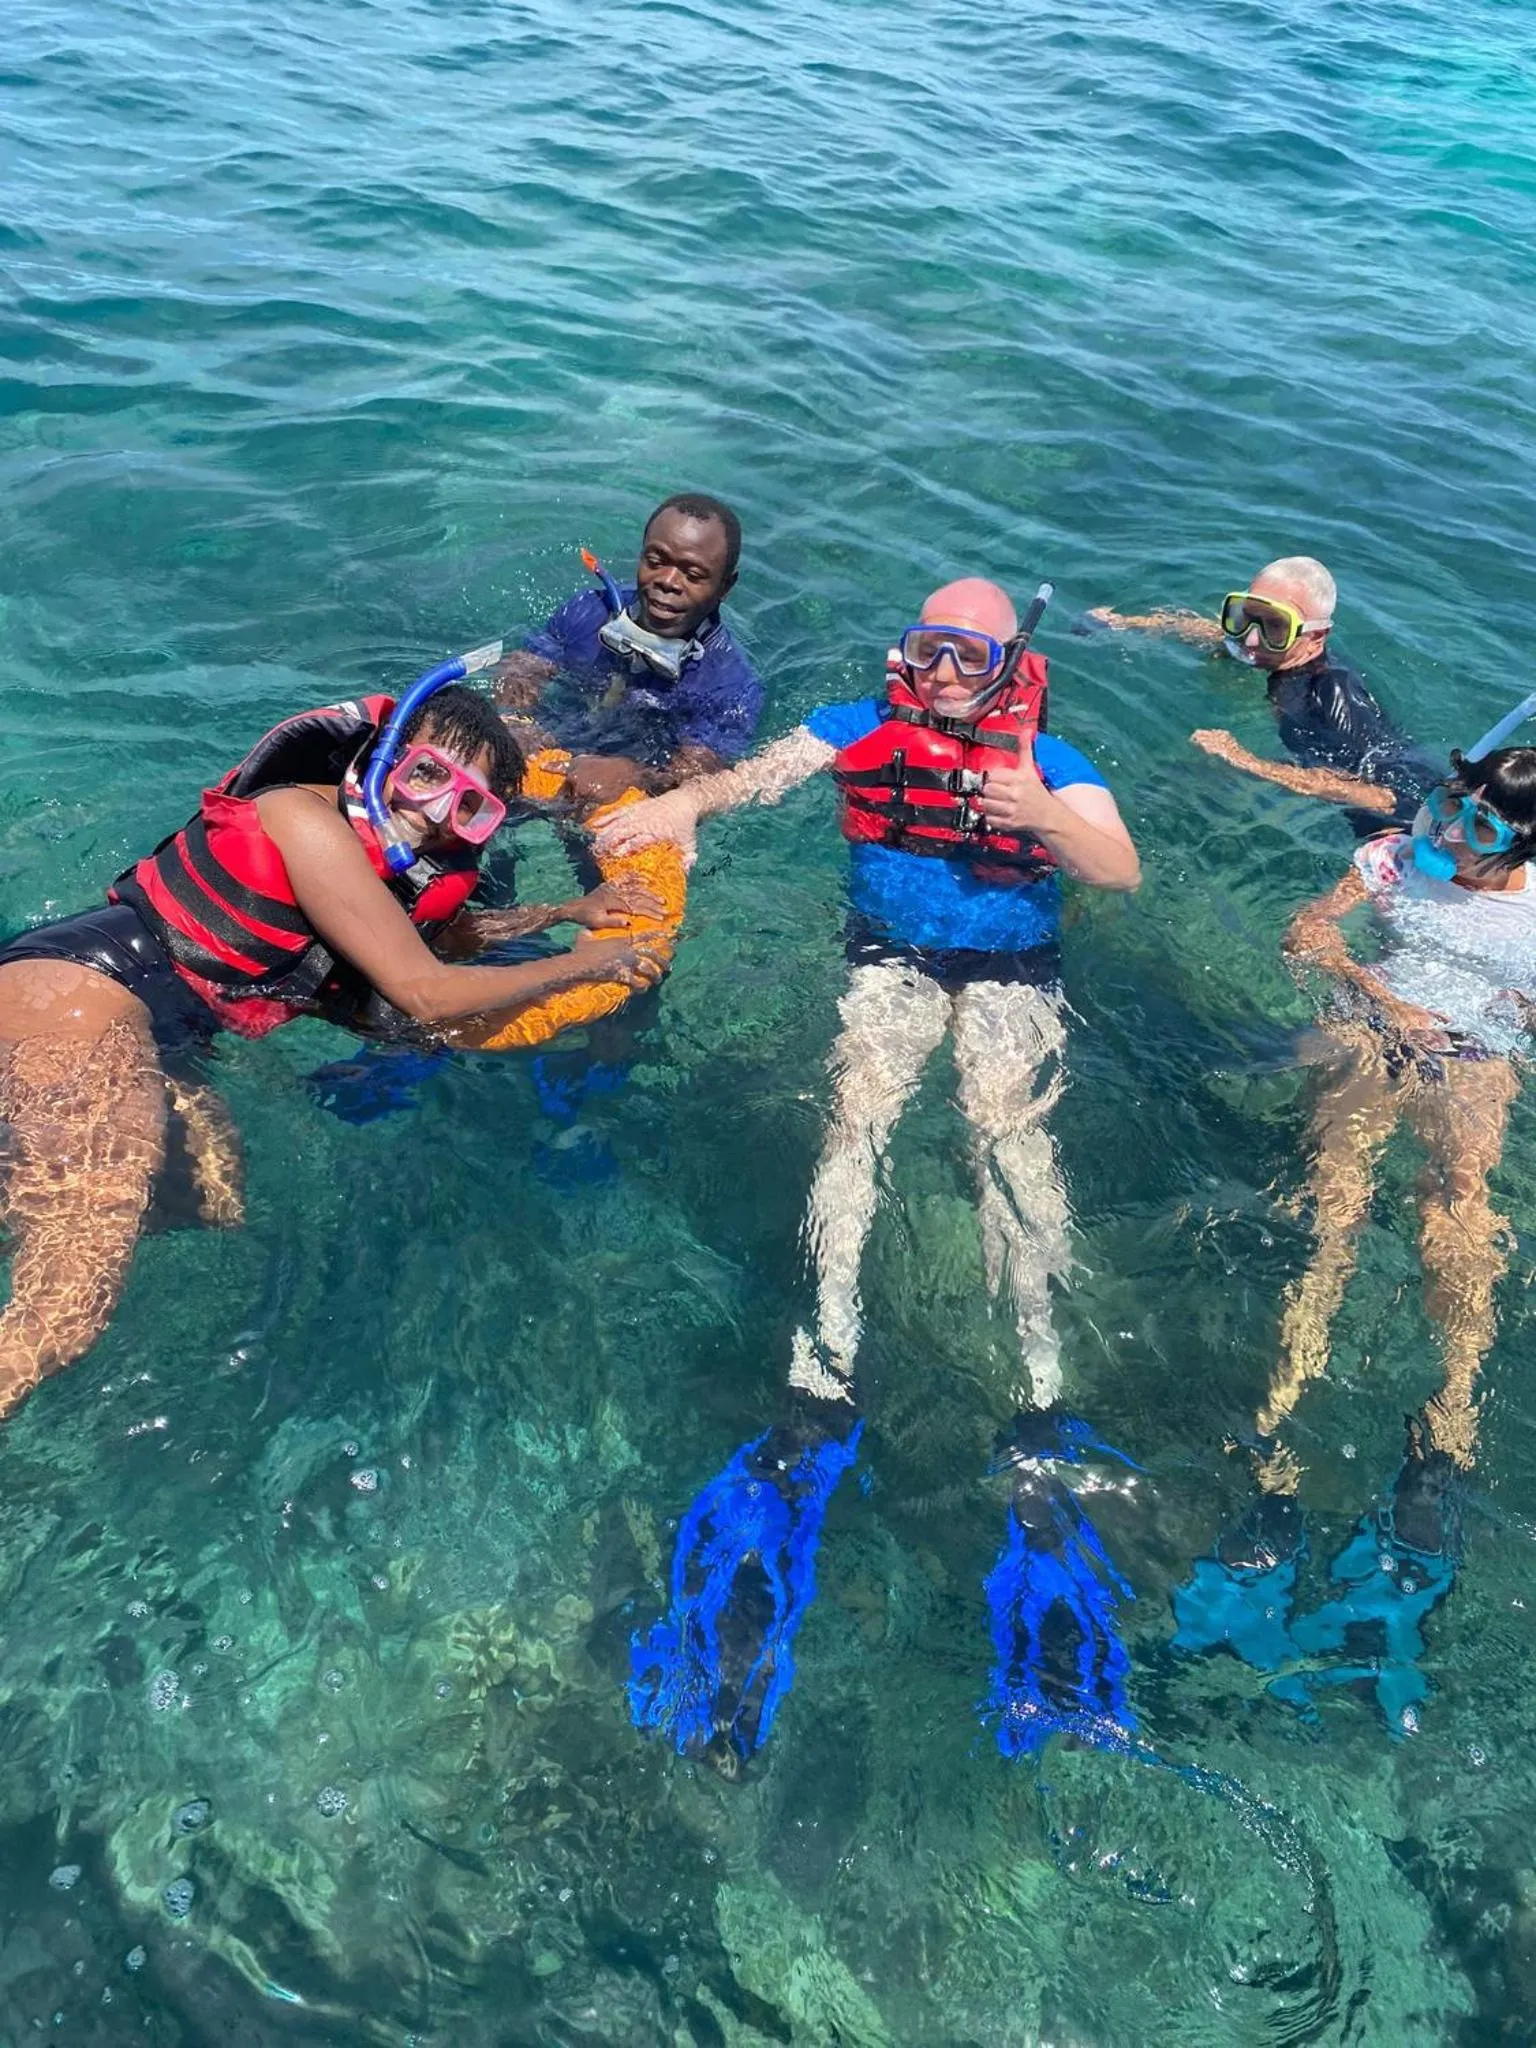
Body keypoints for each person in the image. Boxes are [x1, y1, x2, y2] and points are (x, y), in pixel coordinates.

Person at [601, 578, 1146, 1771]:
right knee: (852, 1124)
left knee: (1010, 1136)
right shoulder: (859, 724)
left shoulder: (1051, 754)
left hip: (1012, 972)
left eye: (966, 655)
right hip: (889, 962)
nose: (942, 672)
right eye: (926, 649)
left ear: (1005, 666)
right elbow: (758, 778)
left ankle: (1041, 1394)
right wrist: (684, 807)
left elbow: (1119, 869)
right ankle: (824, 1364)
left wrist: (1042, 812)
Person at [0, 677, 662, 1421]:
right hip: (79, 1002)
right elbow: (425, 990)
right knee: (67, 1307)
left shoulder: (383, 857)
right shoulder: (302, 819)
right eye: (425, 774)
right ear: (382, 757)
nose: (434, 811)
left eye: (470, 806)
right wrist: (588, 962)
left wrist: (566, 910)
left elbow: (426, 935)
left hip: (152, 1031)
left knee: (205, 1203)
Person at [1174, 745, 1536, 1732]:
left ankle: (1446, 1425)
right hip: (1374, 1037)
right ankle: (1279, 1433)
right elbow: (1307, 936)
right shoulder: (1396, 857)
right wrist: (1384, 998)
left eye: (1488, 827)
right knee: (1331, 1217)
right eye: (1457, 805)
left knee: (1457, 1213)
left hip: (1474, 1063)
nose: (1457, 830)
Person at [1088, 555, 1442, 828]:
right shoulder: (1280, 655)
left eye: (1275, 627)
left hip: (1401, 825)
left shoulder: (1331, 693)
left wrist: (1245, 760)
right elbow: (1220, 637)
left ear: (1316, 635)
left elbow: (1386, 798)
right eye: (1245, 617)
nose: (1251, 638)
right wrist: (1129, 624)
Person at [491, 493, 764, 808]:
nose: (668, 581)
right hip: (558, 742)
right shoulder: (588, 612)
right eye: (656, 561)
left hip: (627, 780)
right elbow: (524, 667)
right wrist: (515, 720)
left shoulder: (731, 687)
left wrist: (636, 775)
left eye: (693, 575)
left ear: (725, 588)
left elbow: (701, 771)